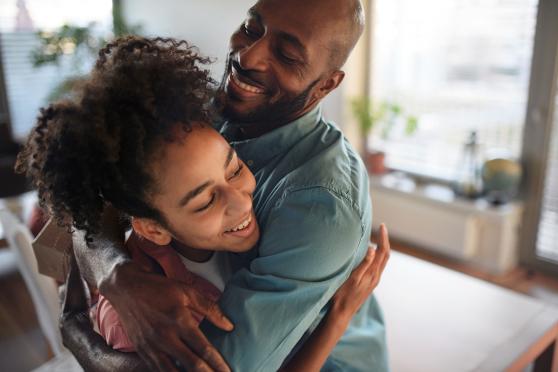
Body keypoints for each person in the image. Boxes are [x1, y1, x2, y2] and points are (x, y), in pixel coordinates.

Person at [33, 0, 390, 370]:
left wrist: (79, 337)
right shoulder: (209, 109)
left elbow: (216, 366)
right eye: (252, 28)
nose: (248, 57)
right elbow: (98, 192)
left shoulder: (321, 206)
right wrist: (117, 275)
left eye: (286, 55)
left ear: (326, 84)